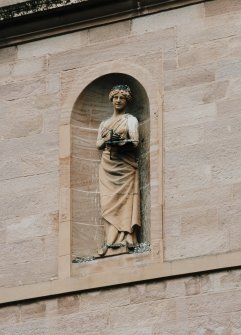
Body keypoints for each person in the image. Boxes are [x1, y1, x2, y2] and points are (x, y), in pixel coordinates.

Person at [96, 85, 140, 256]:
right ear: (111, 100)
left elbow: (135, 142)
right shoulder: (104, 123)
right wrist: (109, 138)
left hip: (125, 165)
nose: (118, 101)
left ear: (126, 101)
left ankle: (126, 239)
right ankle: (110, 241)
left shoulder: (131, 120)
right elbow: (98, 144)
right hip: (108, 164)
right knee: (108, 203)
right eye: (115, 98)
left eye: (122, 98)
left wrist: (122, 141)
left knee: (125, 200)